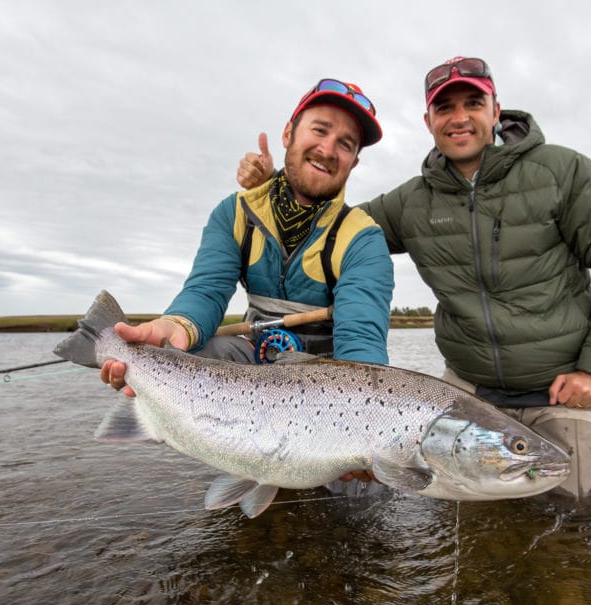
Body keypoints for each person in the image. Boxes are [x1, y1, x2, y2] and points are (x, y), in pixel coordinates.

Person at [237, 57, 591, 502]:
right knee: (445, 516)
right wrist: (273, 187)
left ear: (496, 111)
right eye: (444, 108)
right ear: (428, 121)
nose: (459, 118)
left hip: (564, 388)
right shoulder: (411, 201)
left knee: (588, 516)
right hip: (466, 392)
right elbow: (332, 229)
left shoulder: (565, 173)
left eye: (473, 103)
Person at [102, 78, 394, 398]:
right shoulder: (234, 213)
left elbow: (362, 344)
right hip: (250, 357)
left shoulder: (364, 238)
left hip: (328, 378)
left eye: (345, 143)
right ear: (288, 133)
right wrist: (177, 328)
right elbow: (205, 292)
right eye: (320, 130)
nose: (327, 150)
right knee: (197, 352)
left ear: (354, 161)